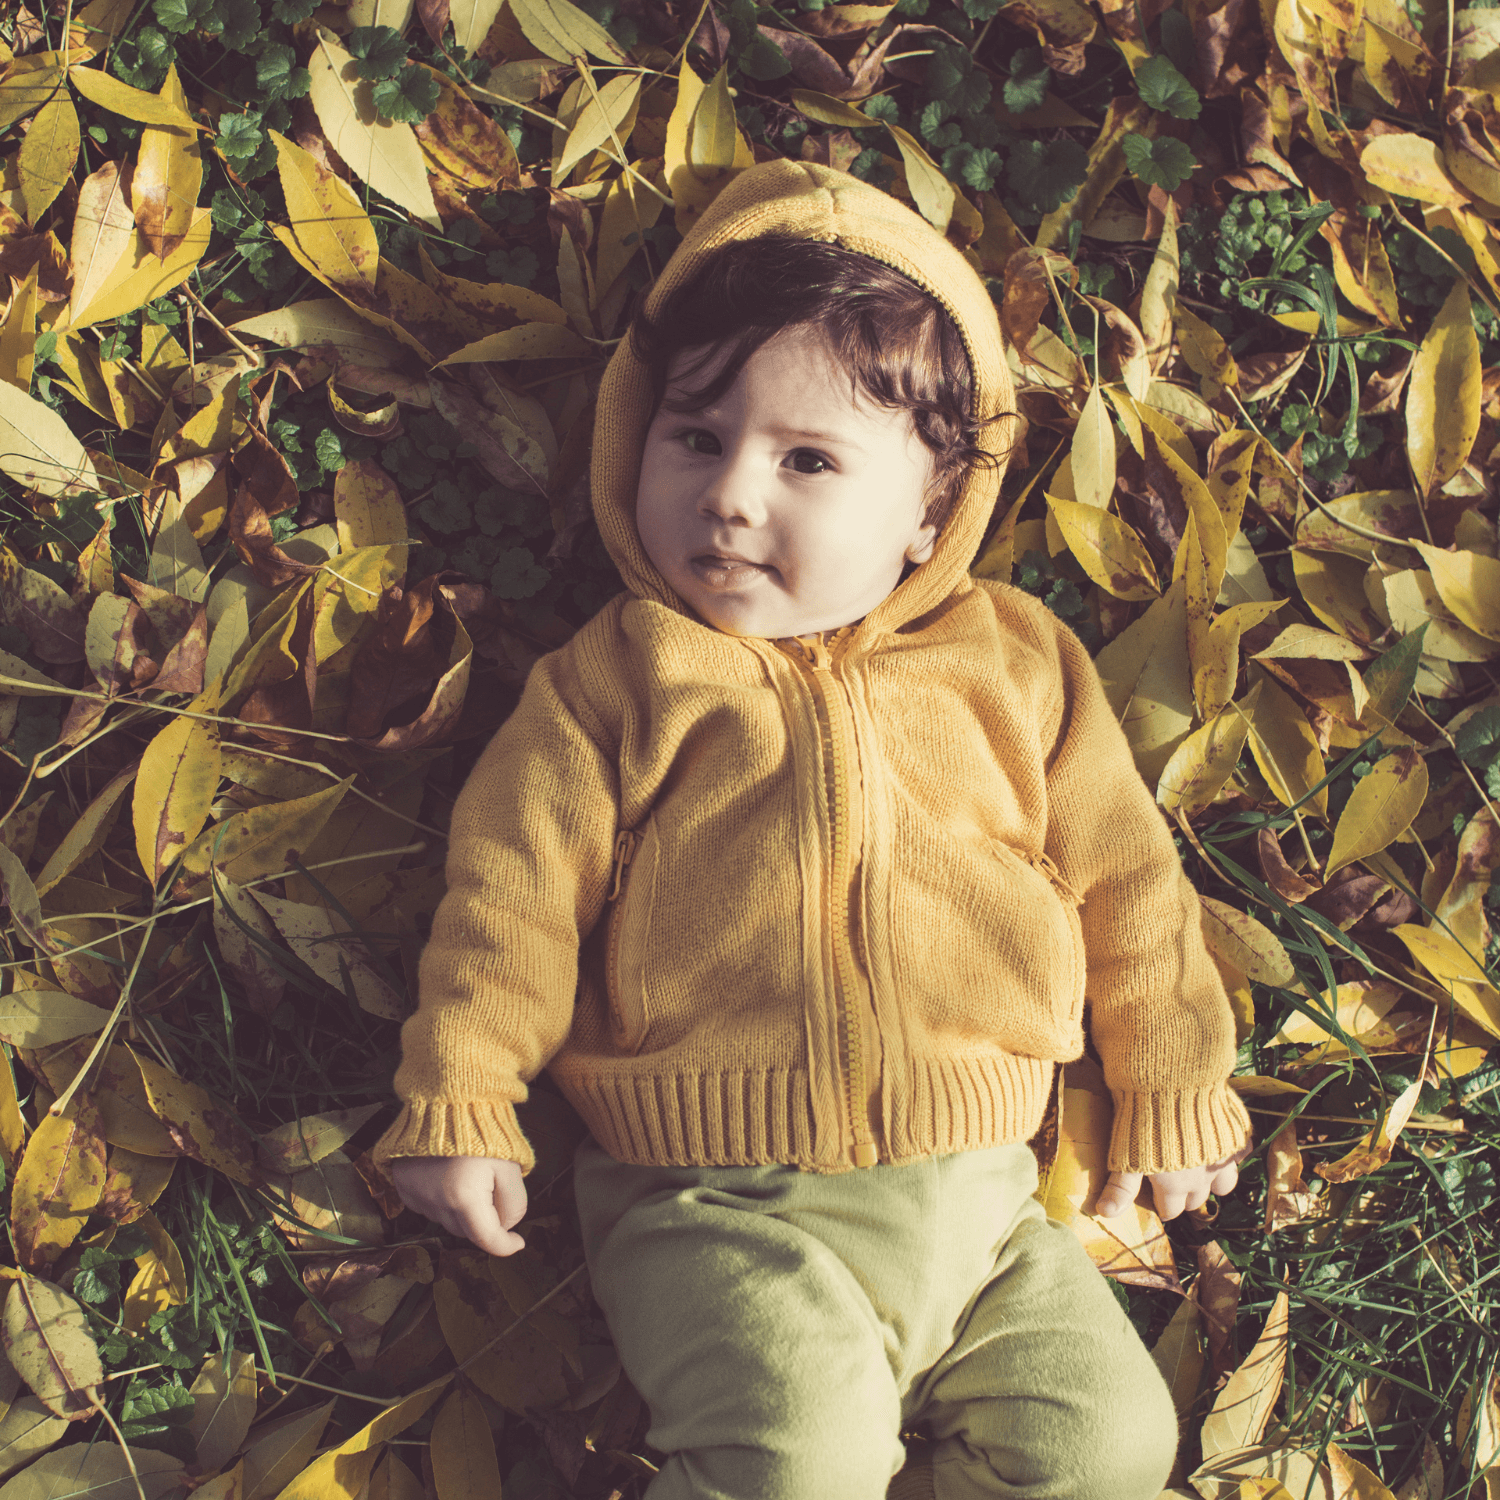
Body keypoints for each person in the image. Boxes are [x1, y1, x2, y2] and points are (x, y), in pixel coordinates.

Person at [376, 159, 1252, 1499]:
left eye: (805, 460)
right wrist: (464, 1096)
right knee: (795, 1466)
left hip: (986, 1202)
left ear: (928, 512)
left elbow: (1128, 878)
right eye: (693, 436)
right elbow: (511, 903)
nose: (733, 493)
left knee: (1111, 1445)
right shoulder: (612, 685)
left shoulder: (1014, 662)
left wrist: (1167, 1077)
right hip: (718, 1207)